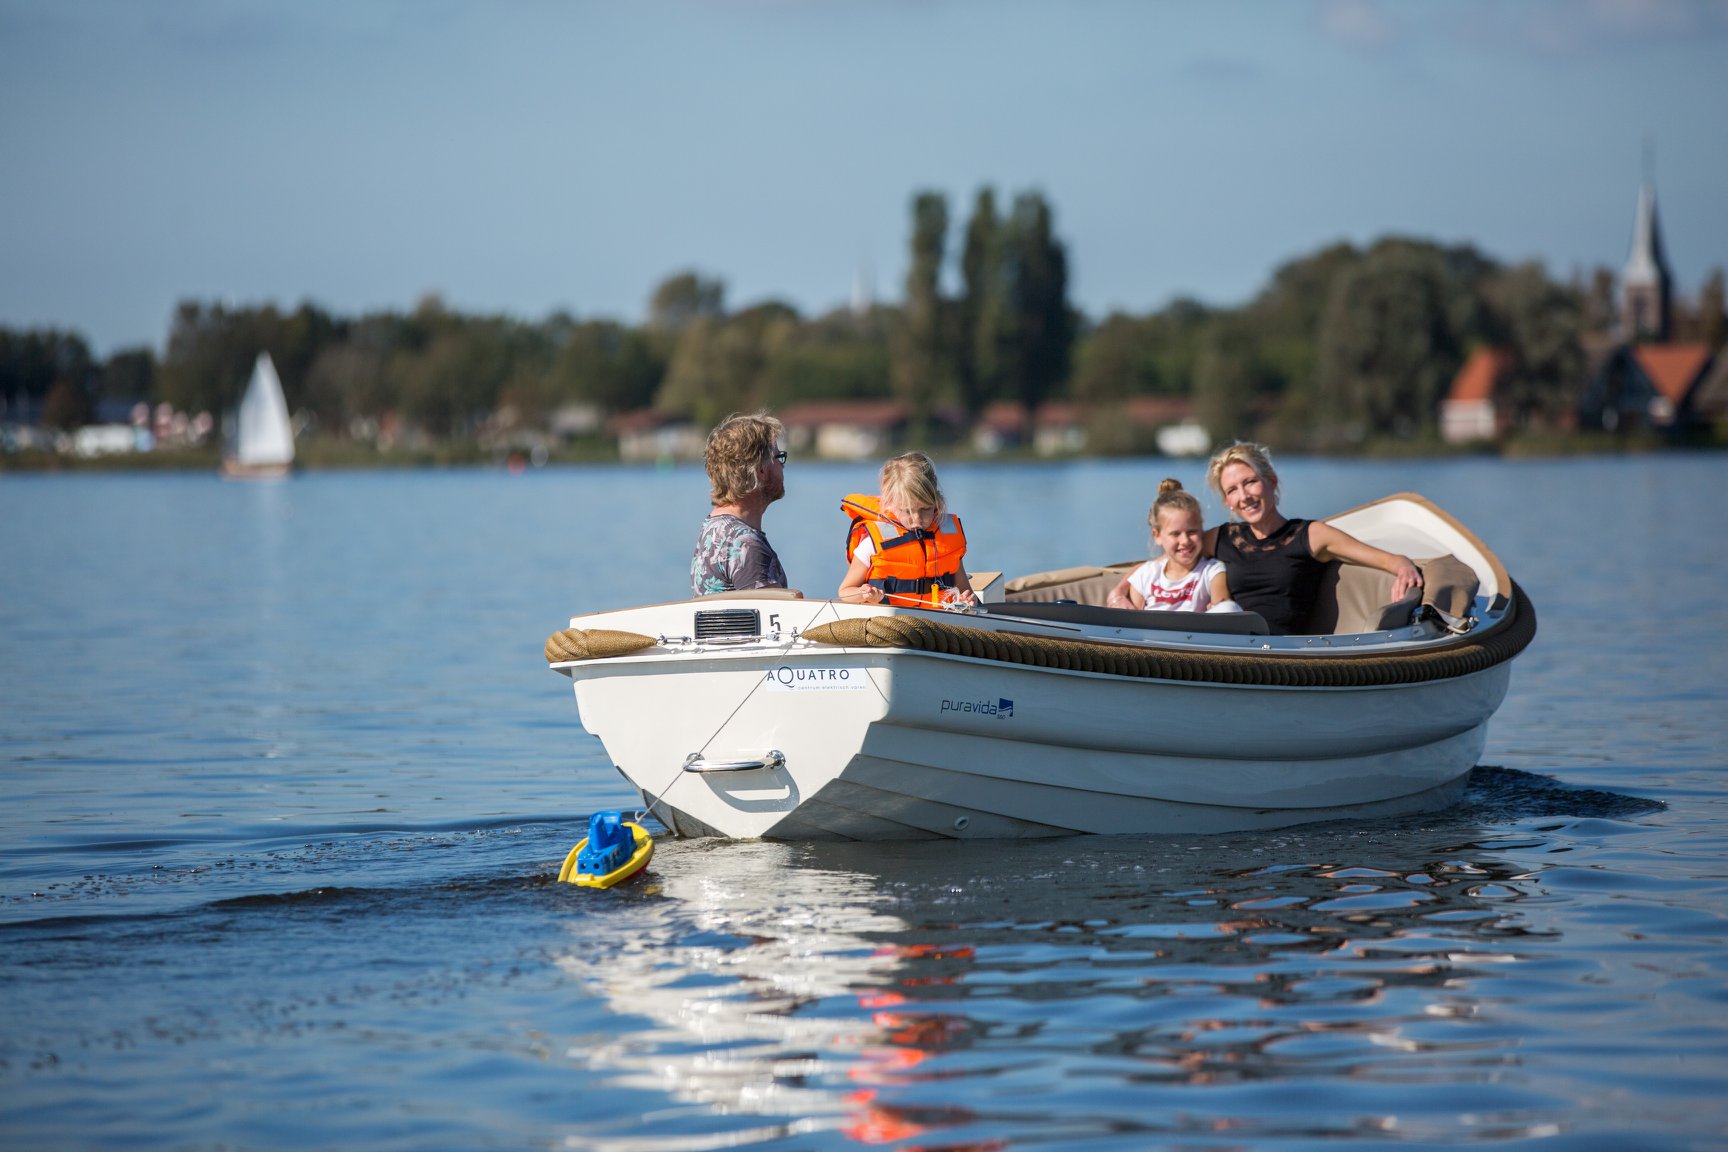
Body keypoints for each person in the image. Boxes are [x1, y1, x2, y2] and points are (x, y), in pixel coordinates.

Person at [1203, 441, 1422, 635]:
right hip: (1229, 647)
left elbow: (1387, 560)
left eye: (1250, 482)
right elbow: (1173, 557)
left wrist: (1402, 566)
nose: (1243, 496)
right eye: (1232, 490)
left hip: (1281, 655)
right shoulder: (1219, 538)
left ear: (1271, 481)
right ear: (1226, 501)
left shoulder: (1310, 535)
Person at [838, 452, 976, 608]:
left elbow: (966, 591)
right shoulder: (872, 544)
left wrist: (968, 600)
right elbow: (845, 591)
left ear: (936, 502)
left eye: (925, 509)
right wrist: (863, 593)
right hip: (891, 621)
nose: (917, 518)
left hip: (938, 622)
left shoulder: (947, 539)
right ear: (890, 503)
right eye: (907, 511)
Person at [690, 412, 789, 597]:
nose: (782, 466)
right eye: (778, 457)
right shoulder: (747, 545)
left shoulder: (712, 528)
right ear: (761, 470)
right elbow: (775, 621)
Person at [1105, 478, 1240, 613]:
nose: (1185, 541)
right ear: (1157, 536)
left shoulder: (1212, 571)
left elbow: (1223, 608)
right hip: (1152, 632)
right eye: (1175, 534)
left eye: (1192, 531)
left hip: (1195, 632)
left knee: (1228, 608)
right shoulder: (1145, 576)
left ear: (1202, 528)